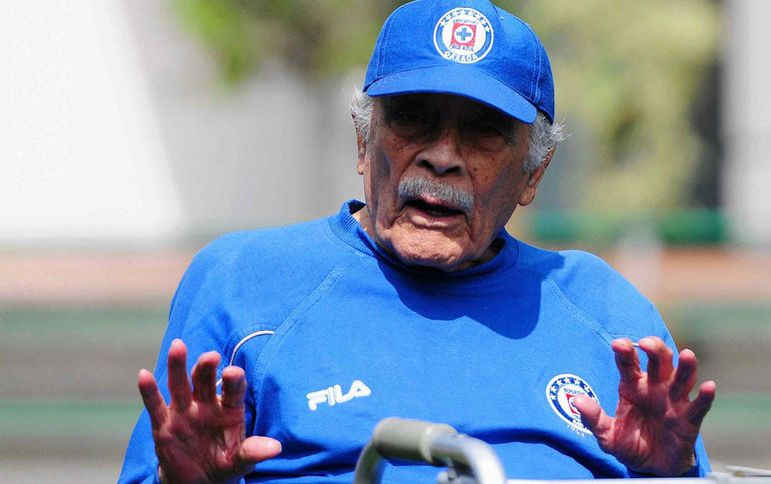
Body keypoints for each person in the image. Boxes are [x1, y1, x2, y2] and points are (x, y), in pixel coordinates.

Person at [120, 0, 716, 482]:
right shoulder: (244, 281)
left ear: (533, 173)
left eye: (483, 132)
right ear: (363, 141)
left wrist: (671, 477)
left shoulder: (606, 311)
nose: (442, 156)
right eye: (412, 118)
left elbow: (678, 470)